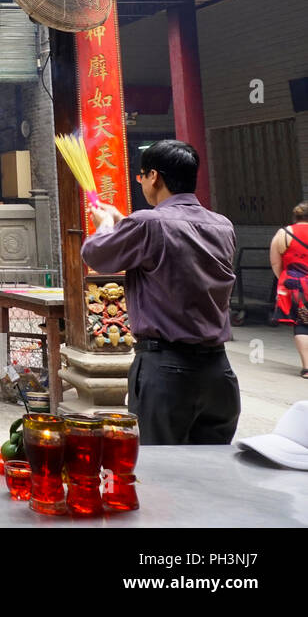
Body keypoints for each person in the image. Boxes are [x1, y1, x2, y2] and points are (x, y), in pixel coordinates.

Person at [83, 139, 240, 445]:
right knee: (211, 475)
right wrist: (123, 223)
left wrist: (104, 225)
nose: (141, 182)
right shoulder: (222, 225)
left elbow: (97, 255)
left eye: (141, 176)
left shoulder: (149, 223)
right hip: (218, 374)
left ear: (154, 176)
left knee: (158, 472)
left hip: (166, 370)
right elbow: (173, 254)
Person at [270, 201, 308, 377]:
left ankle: (307, 367)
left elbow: (276, 263)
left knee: (302, 326)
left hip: (296, 287)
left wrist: (285, 279)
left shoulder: (284, 233)